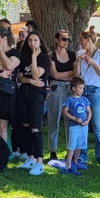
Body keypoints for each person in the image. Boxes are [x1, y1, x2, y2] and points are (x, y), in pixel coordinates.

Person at [15, 31, 52, 175]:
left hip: (37, 95)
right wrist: (30, 81)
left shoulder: (44, 58)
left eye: (35, 40)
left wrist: (34, 58)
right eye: (30, 40)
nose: (32, 43)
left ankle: (39, 161)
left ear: (40, 42)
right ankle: (30, 157)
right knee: (25, 125)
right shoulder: (25, 57)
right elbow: (20, 78)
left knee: (35, 127)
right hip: (24, 92)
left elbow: (37, 75)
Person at [76, 30, 100, 166]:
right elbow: (76, 74)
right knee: (82, 122)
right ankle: (82, 155)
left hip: (95, 90)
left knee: (96, 124)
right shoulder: (79, 53)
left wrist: (93, 63)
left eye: (82, 40)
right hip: (82, 89)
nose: (81, 43)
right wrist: (78, 62)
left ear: (89, 39)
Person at [41, 30, 76, 161]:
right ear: (56, 40)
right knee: (53, 119)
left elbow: (76, 73)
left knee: (70, 120)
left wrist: (69, 73)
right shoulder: (51, 55)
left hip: (69, 88)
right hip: (56, 87)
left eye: (68, 39)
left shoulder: (72, 55)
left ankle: (70, 149)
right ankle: (53, 150)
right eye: (63, 39)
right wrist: (70, 72)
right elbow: (54, 74)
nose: (66, 42)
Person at [60, 77, 91, 175]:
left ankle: (76, 161)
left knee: (80, 144)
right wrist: (75, 119)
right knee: (72, 144)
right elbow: (65, 112)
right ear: (73, 88)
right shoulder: (69, 99)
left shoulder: (85, 99)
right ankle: (68, 164)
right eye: (80, 88)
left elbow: (89, 111)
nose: (82, 90)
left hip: (84, 126)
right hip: (74, 126)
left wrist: (87, 121)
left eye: (83, 88)